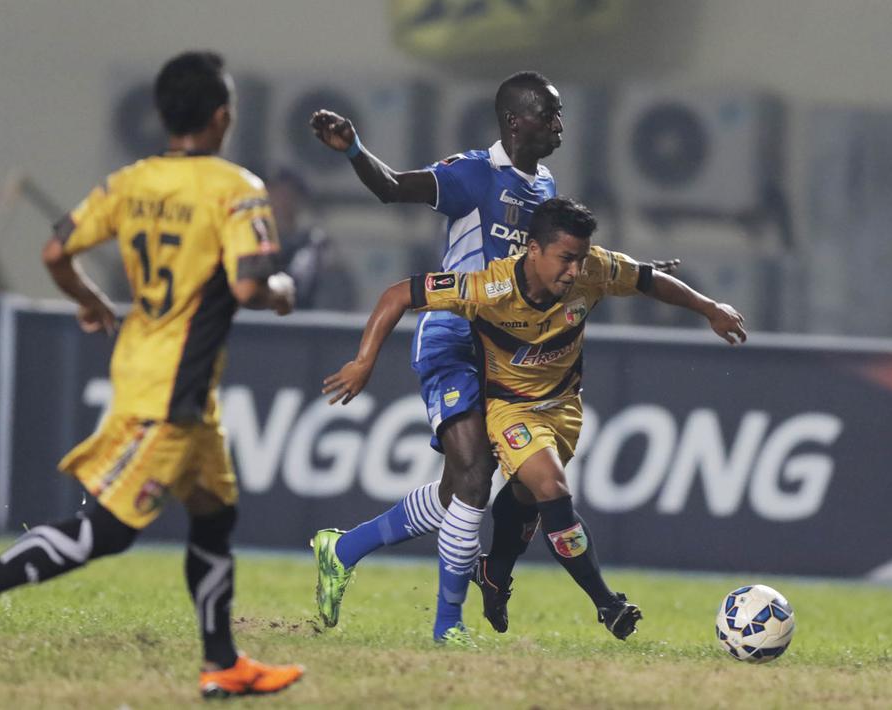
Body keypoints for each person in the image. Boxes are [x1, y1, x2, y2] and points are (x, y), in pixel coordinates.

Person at [0, 51, 304, 697]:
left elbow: (56, 250)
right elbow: (250, 286)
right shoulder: (237, 189)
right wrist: (283, 286)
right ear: (222, 116)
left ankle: (222, 662)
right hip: (171, 390)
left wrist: (88, 299)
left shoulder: (128, 182)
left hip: (163, 375)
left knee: (214, 517)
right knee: (105, 533)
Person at [307, 72, 680, 642]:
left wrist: (639, 269)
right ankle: (447, 626)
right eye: (550, 114)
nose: (560, 124)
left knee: (457, 491)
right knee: (476, 477)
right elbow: (391, 188)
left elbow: (570, 253)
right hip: (452, 335)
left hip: (501, 351)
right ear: (516, 121)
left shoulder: (544, 183)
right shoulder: (474, 173)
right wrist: (356, 149)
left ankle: (345, 548)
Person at [321, 197, 747, 641]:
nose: (574, 271)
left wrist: (711, 309)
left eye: (580, 259)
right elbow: (398, 294)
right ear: (533, 249)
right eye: (565, 259)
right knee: (550, 487)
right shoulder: (490, 287)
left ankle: (491, 572)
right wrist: (364, 361)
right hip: (510, 408)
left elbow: (647, 279)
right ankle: (607, 603)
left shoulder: (594, 268)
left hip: (564, 407)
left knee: (516, 496)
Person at [268, 166, 358, 311]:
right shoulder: (253, 240)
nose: (282, 201)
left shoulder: (315, 245)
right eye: (277, 193)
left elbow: (336, 290)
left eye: (289, 194)